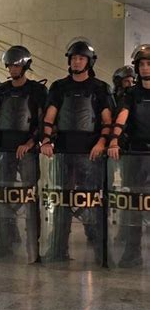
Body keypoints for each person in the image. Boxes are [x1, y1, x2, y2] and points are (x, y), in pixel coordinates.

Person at [40, 39, 114, 263]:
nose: (76, 61)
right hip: (62, 152)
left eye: (81, 58)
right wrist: (45, 140)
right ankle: (58, 248)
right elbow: (50, 117)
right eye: (73, 58)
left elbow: (107, 121)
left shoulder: (100, 88)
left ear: (89, 62)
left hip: (90, 153)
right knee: (61, 202)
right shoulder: (59, 87)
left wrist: (101, 143)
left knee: (91, 202)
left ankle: (99, 247)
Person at [0, 46, 47, 260]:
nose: (12, 68)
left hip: (25, 149)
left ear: (25, 66)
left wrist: (30, 143)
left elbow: (41, 120)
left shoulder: (36, 90)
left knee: (28, 195)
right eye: (9, 65)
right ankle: (6, 239)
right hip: (3, 149)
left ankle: (33, 240)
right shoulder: (1, 90)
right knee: (3, 196)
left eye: (16, 65)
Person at [108, 44, 150, 268]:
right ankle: (132, 252)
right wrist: (114, 139)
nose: (145, 68)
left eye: (148, 64)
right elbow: (122, 117)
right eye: (141, 64)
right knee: (134, 204)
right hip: (136, 153)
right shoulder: (131, 94)